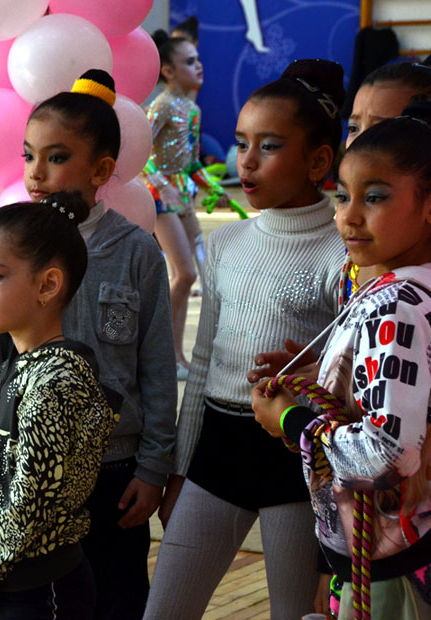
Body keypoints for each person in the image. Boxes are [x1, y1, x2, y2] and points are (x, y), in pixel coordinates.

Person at [0, 69, 176, 619]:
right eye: (29, 155)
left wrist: (153, 469)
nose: (37, 172)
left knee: (117, 598)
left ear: (102, 169)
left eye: (56, 157)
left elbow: (156, 369)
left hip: (113, 473)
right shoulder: (6, 245)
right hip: (27, 472)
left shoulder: (136, 253)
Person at [145, 59, 347, 619]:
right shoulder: (229, 243)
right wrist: (180, 467)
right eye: (240, 142)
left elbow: (345, 378)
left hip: (296, 459)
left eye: (270, 146)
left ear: (318, 160)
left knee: (293, 613)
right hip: (216, 450)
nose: (246, 161)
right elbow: (205, 356)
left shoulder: (343, 254)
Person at [252, 98, 431, 619]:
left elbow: (387, 455)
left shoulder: (397, 304)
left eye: (376, 197)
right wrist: (324, 376)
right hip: (423, 542)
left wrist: (291, 419)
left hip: (399, 560)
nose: (349, 216)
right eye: (342, 196)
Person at [0, 192, 117, 619]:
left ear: (48, 285)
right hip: (13, 579)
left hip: (44, 588)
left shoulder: (57, 380)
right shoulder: (17, 368)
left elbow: (28, 501)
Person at [248, 56, 431, 386]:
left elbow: (390, 432)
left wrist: (293, 420)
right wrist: (330, 366)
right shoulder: (366, 244)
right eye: (354, 127)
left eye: (384, 129)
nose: (361, 144)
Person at [143, 32, 230, 379]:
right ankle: (160, 353)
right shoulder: (161, 106)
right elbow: (140, 154)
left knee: (201, 274)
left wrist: (214, 187)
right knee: (186, 274)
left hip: (183, 195)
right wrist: (162, 186)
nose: (199, 66)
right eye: (189, 61)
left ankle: (178, 356)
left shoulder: (192, 110)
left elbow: (192, 163)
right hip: (160, 198)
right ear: (167, 70)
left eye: (198, 59)